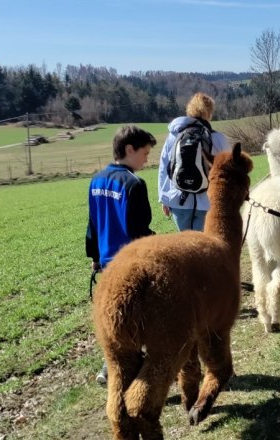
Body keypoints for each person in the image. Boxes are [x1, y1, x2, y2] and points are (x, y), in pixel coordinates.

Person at [85, 124, 157, 385]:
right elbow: (139, 231)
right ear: (129, 149)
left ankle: (109, 368)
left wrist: (94, 258)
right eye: (145, 153)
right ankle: (132, 372)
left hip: (107, 262)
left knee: (116, 319)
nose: (147, 159)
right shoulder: (134, 184)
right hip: (131, 264)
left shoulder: (97, 180)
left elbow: (92, 224)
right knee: (137, 319)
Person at [158, 92, 231, 231]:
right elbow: (228, 171)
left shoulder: (173, 137)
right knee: (203, 246)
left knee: (186, 245)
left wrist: (164, 198)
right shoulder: (218, 138)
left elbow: (164, 168)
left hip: (178, 201)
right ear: (209, 112)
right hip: (208, 202)